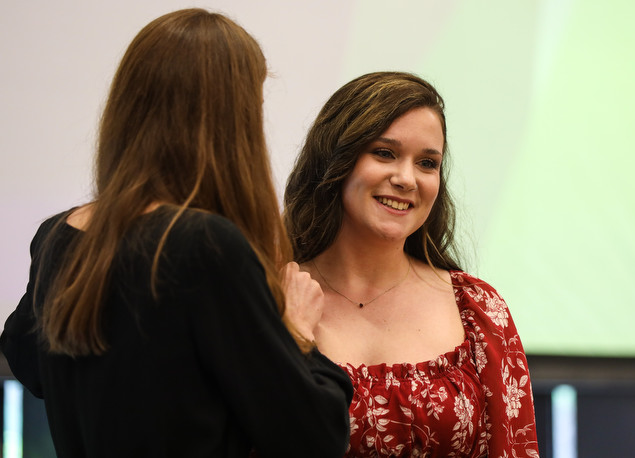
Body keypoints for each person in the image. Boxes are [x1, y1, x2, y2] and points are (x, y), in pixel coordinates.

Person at [0, 9, 352, 458]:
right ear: (232, 121)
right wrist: (299, 335)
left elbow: (28, 364)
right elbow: (315, 436)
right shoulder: (206, 246)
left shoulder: (57, 236)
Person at [283, 71, 539, 457]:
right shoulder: (274, 298)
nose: (406, 179)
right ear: (336, 159)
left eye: (427, 163)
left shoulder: (478, 309)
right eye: (384, 153)